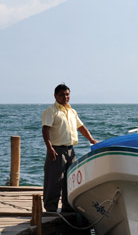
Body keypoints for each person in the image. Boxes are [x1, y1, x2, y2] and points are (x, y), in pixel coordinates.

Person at [42, 84, 97, 212]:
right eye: (62, 94)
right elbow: (45, 129)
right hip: (56, 149)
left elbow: (81, 127)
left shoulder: (72, 111)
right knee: (54, 181)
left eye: (67, 94)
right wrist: (49, 148)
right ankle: (50, 208)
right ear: (55, 96)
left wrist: (91, 140)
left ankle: (68, 207)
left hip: (70, 150)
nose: (65, 97)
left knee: (70, 180)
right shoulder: (51, 111)